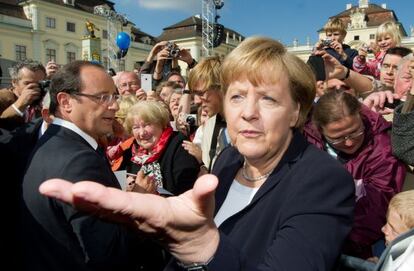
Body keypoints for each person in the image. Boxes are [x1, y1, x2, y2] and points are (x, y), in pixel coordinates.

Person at [40, 37, 355, 271]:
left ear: (295, 111)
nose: (248, 113)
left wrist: (202, 247)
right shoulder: (228, 161)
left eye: (268, 99)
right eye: (237, 97)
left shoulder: (323, 180)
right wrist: (165, 234)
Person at [20, 60, 161, 271]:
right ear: (66, 102)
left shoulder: (51, 142)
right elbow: (110, 256)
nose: (114, 105)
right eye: (102, 97)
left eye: (114, 96)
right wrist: (137, 202)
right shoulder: (79, 161)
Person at [304, 90, 406, 259]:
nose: (349, 142)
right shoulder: (306, 138)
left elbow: (375, 211)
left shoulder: (383, 149)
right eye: (337, 138)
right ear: (320, 130)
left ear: (360, 115)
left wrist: (332, 243)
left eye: (355, 132)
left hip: (352, 245)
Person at [110, 101, 200, 195]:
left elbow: (186, 190)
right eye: (136, 127)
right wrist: (126, 186)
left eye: (147, 125)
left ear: (161, 123)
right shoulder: (131, 151)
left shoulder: (179, 145)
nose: (142, 133)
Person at [0, 59, 46, 130]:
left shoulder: (43, 98)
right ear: (14, 82)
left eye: (40, 84)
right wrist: (20, 104)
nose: (35, 88)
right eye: (28, 83)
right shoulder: (2, 98)